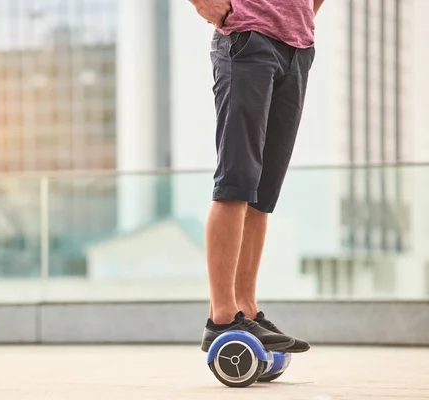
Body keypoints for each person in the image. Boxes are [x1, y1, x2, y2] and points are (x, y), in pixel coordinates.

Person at [189, 0, 325, 353]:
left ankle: (245, 308)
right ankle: (221, 318)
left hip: (297, 47)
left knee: (262, 194)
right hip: (247, 38)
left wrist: (303, 16)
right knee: (236, 182)